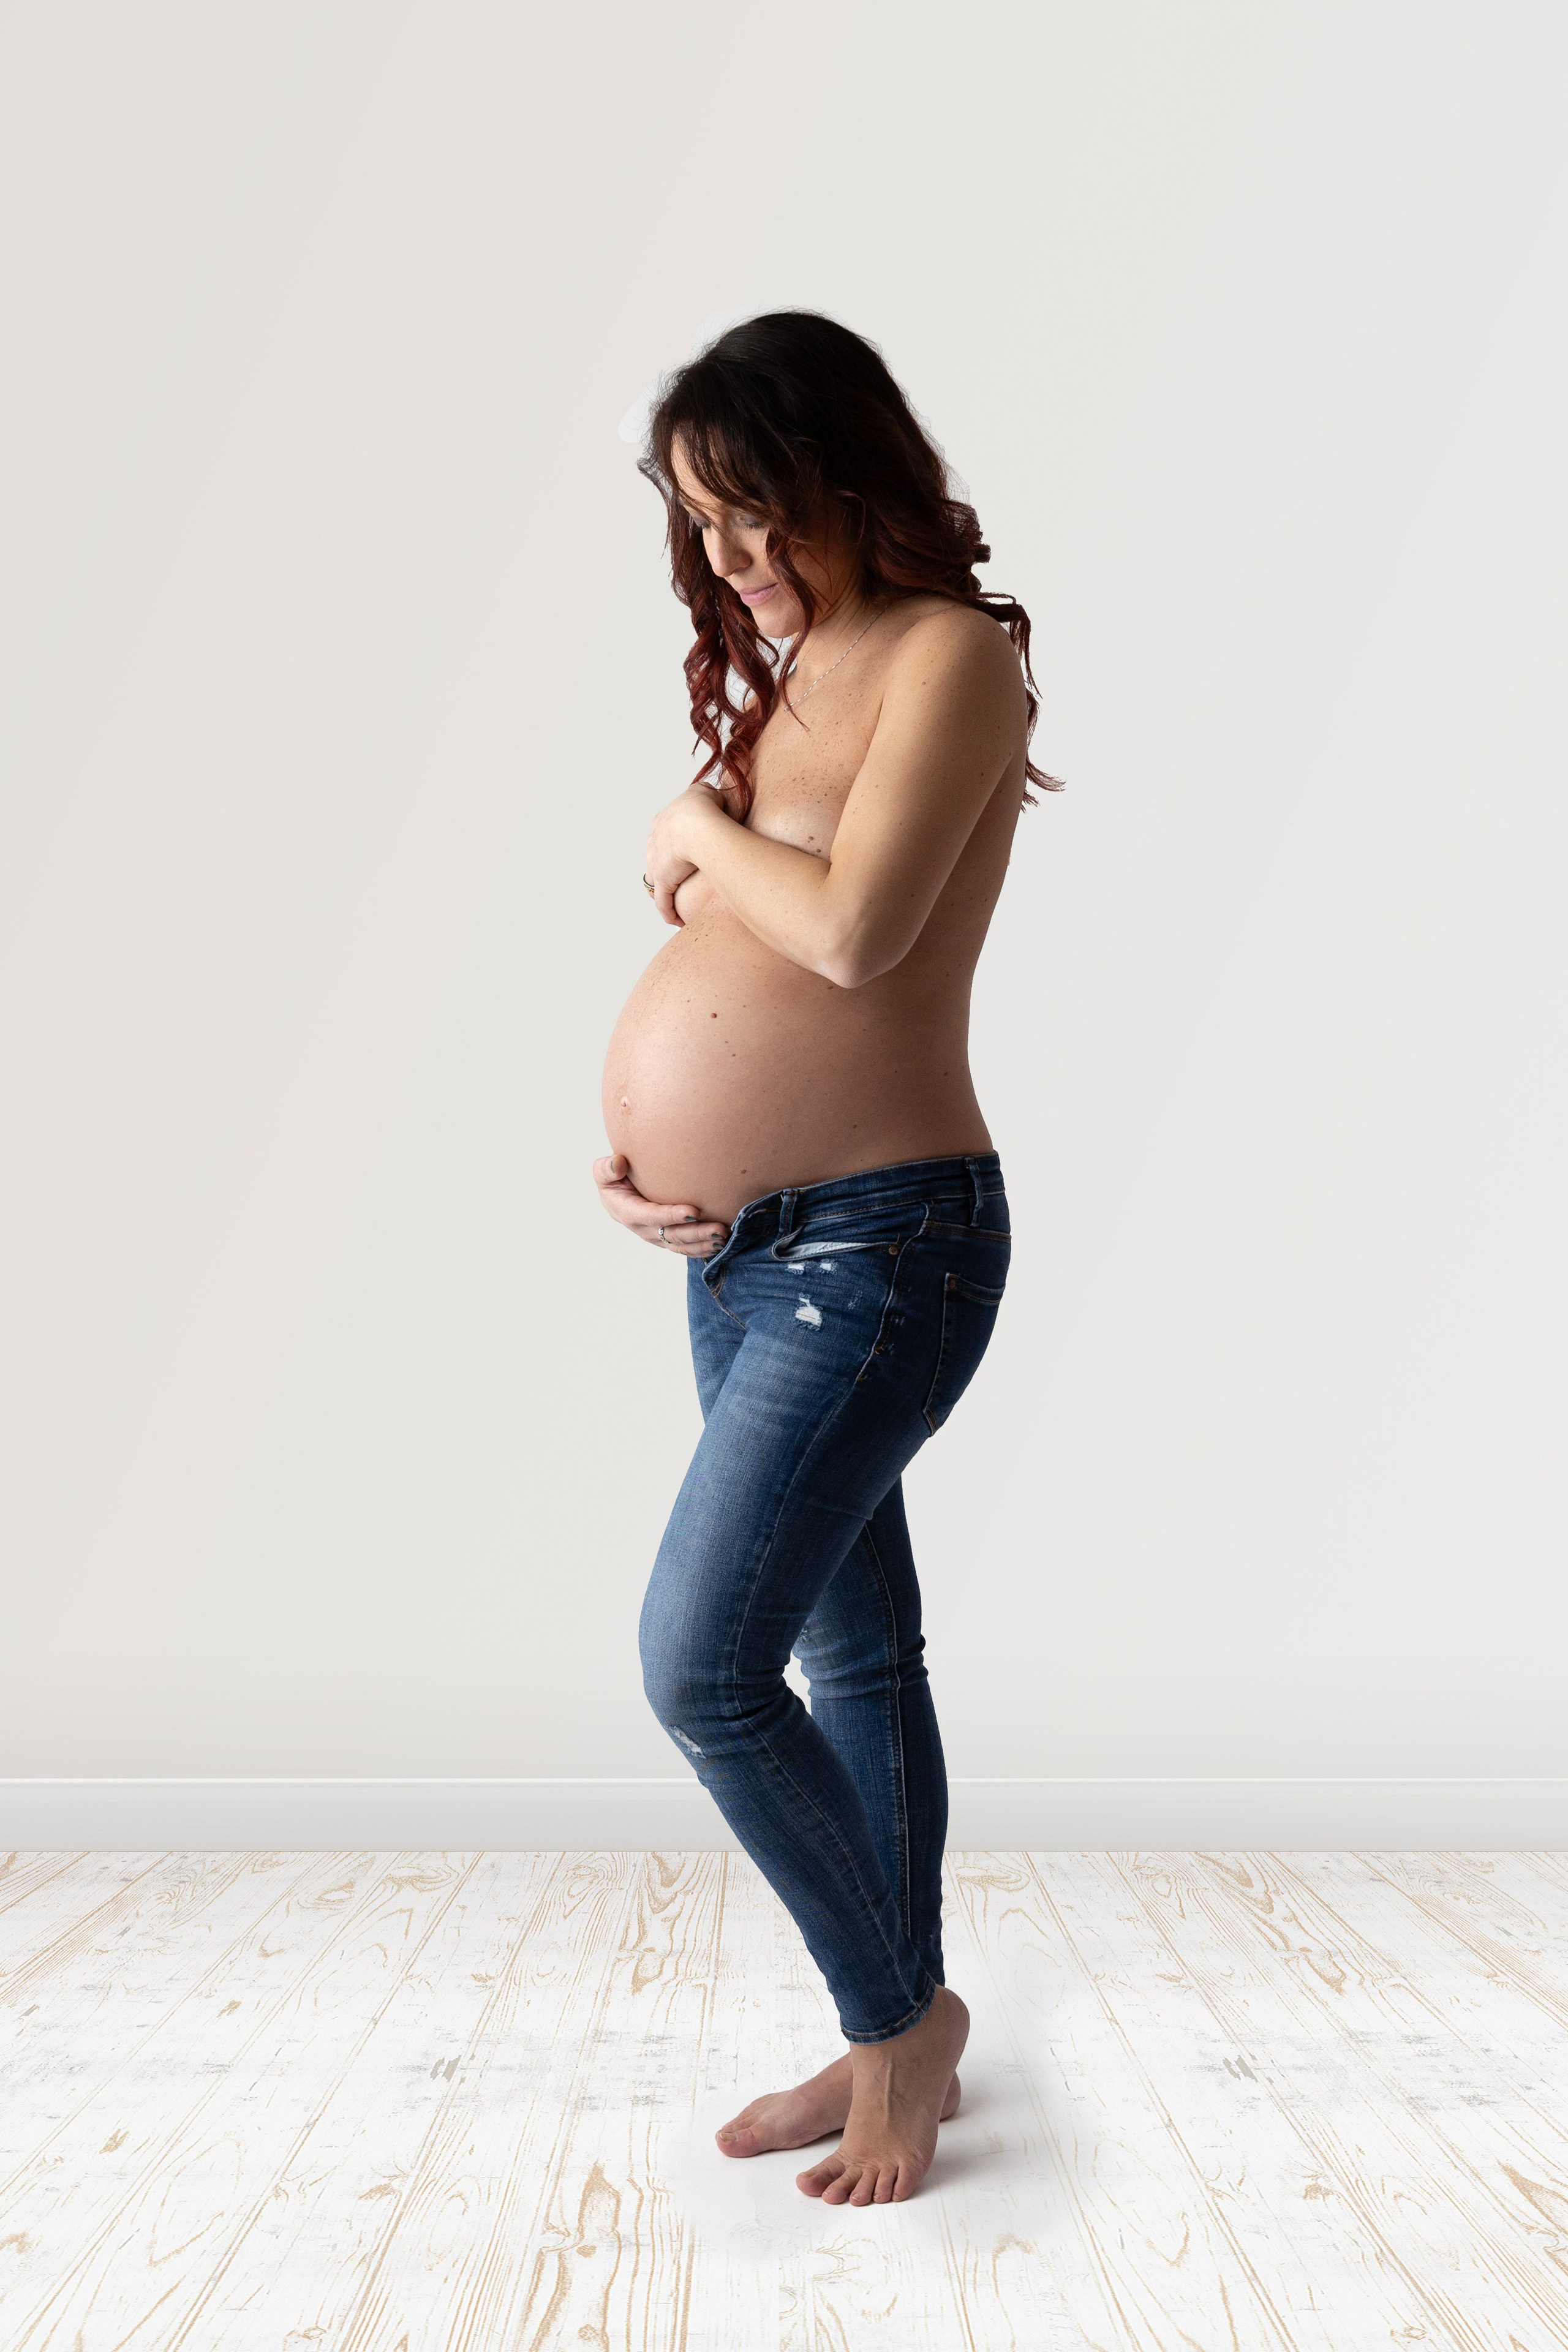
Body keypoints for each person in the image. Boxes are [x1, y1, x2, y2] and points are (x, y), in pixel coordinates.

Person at [593, 311, 1060, 2207]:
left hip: (888, 1244)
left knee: (700, 1667)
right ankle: (902, 2028)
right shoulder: (793, 674)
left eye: (766, 510)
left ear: (850, 471)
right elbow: (755, 983)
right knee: (855, 1656)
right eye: (708, 528)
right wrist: (650, 1159)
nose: (746, 559)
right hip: (747, 1250)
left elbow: (858, 937)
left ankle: (898, 2037)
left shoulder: (952, 656)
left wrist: (694, 830)